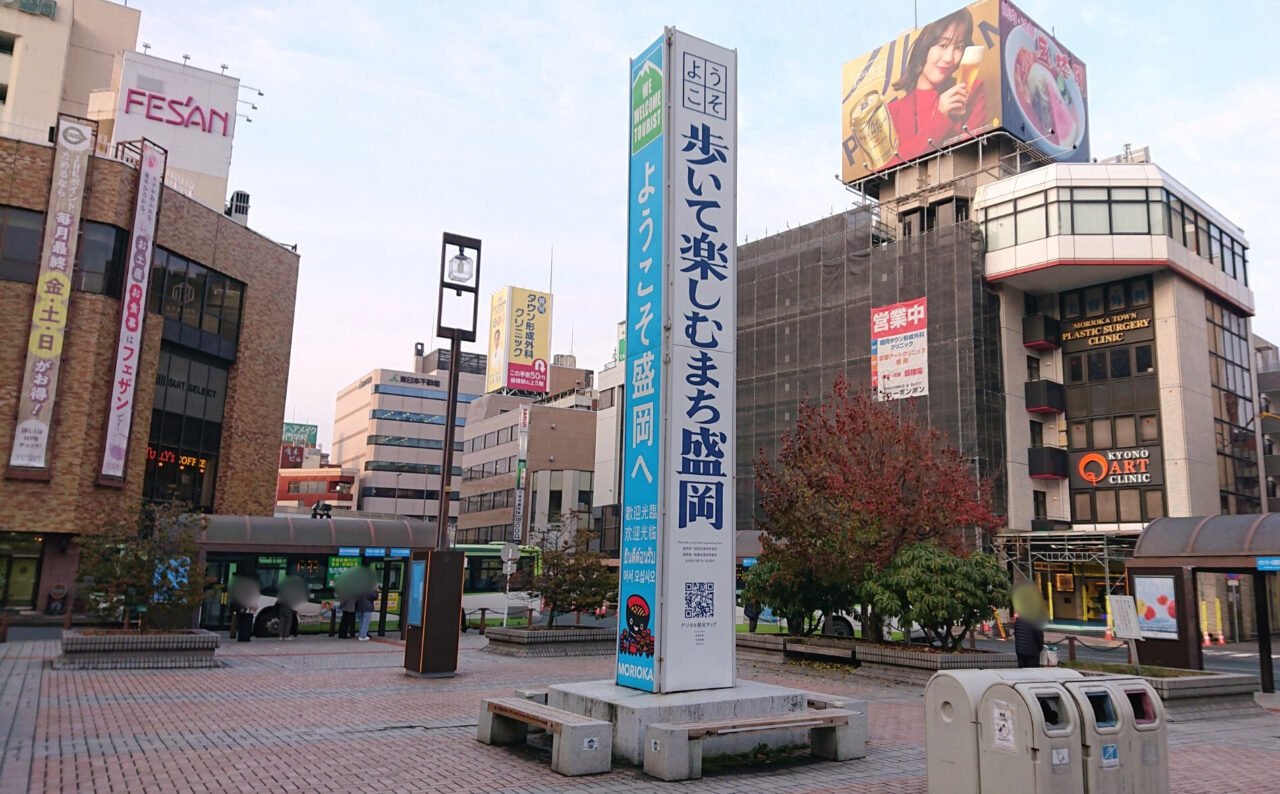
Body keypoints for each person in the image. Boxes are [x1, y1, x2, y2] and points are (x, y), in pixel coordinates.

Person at [886, 7, 987, 164]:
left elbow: (973, 154)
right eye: (942, 45)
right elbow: (892, 162)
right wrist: (941, 116)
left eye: (959, 47)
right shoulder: (892, 112)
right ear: (924, 47)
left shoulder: (972, 91)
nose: (949, 58)